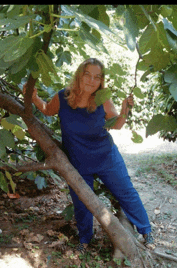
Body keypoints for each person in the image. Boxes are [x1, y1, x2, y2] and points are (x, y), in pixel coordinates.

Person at [24, 58, 154, 254]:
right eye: (88, 75)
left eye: (97, 77)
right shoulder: (62, 97)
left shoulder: (102, 99)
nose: (92, 81)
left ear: (101, 81)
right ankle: (85, 240)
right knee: (81, 202)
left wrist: (126, 108)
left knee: (126, 193)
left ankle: (146, 231)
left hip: (106, 157)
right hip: (78, 162)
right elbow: (47, 110)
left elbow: (116, 124)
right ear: (79, 75)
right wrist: (32, 97)